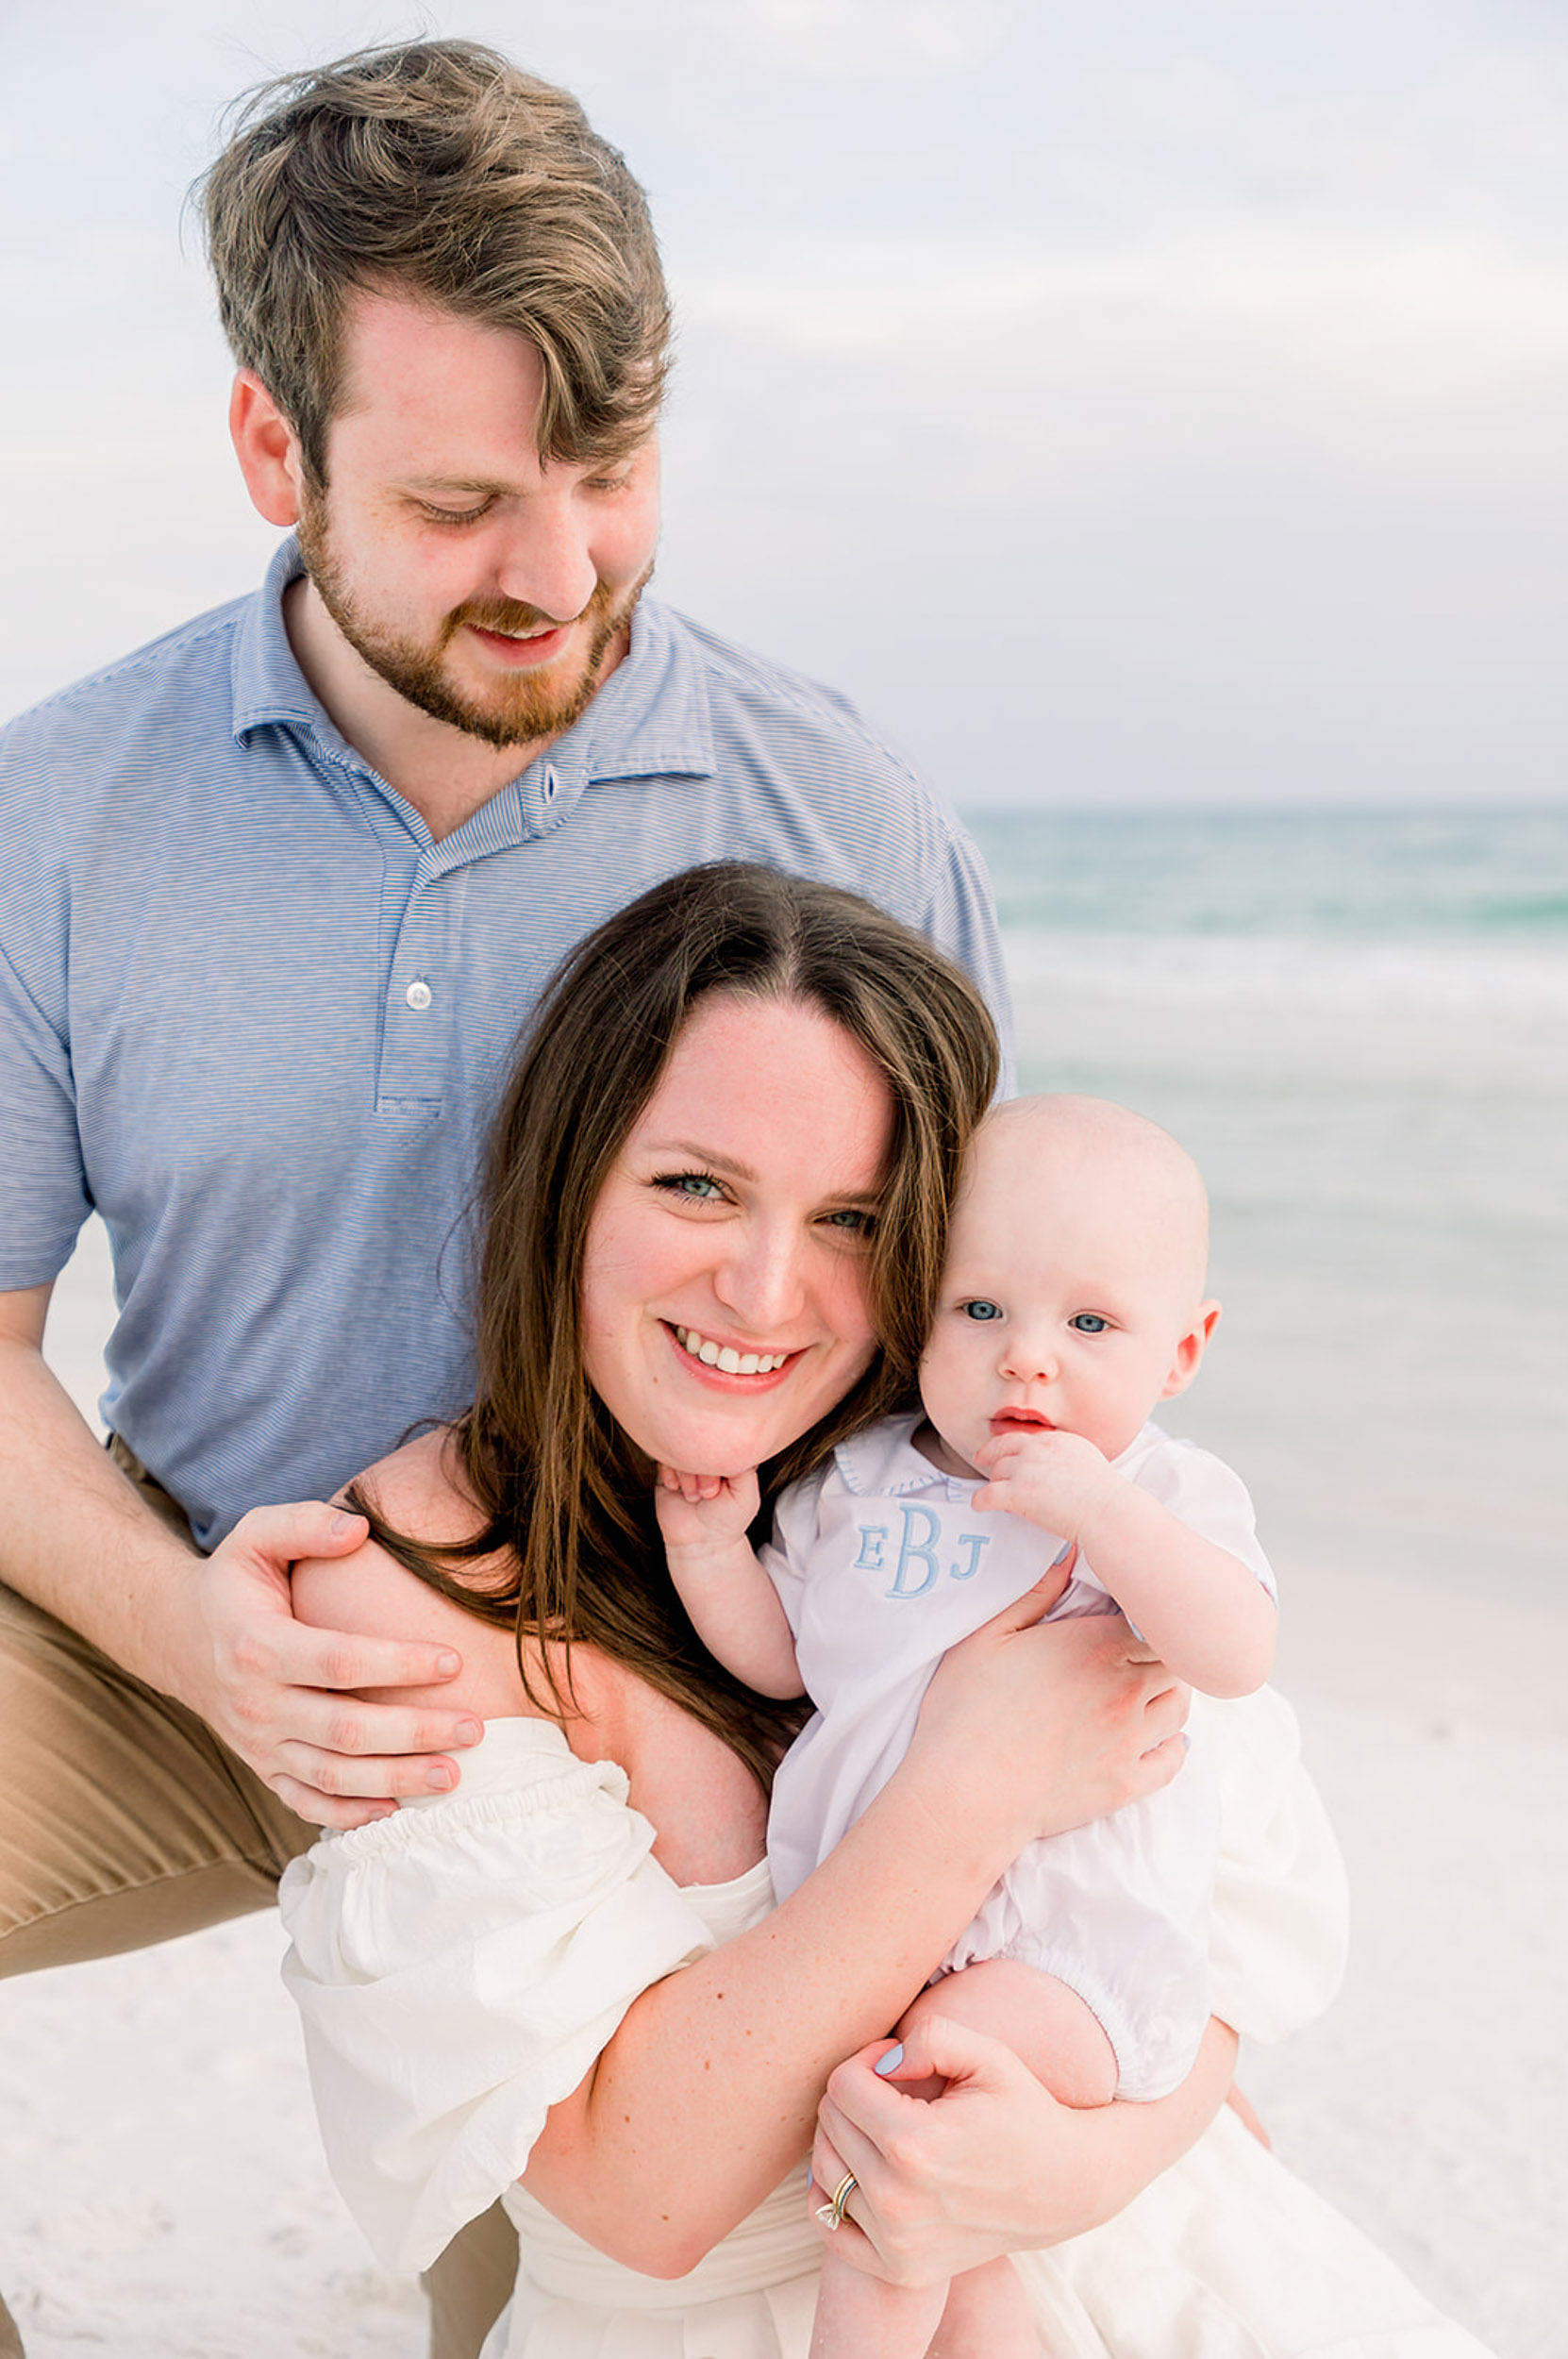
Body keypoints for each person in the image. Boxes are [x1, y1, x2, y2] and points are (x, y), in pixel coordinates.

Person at [0, 42, 1006, 2358]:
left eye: (610, 471)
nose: (555, 571)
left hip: (669, 1723)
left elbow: (972, 1383)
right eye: (458, 501)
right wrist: (208, 1645)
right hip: (200, 1622)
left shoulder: (846, 816)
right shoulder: (58, 815)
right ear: (276, 448)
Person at [280, 864, 1489, 2359]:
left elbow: (1217, 1953)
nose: (766, 1290)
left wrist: (1090, 2162)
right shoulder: (415, 1579)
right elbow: (637, 2191)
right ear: (568, 1174)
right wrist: (971, 1785)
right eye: (696, 1185)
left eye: (852, 1218)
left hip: (1127, 2236)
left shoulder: (984, 1493)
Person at [659, 1092, 1279, 2357]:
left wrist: (1103, 1517)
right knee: (962, 2251)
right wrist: (712, 1546)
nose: (1028, 1357)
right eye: (981, 1309)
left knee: (907, 2128)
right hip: (886, 1937)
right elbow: (787, 1662)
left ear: (1182, 1352)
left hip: (1064, 1953)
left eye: (1090, 1322)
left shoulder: (1162, 1489)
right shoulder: (860, 1482)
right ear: (919, 1312)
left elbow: (1235, 1652)